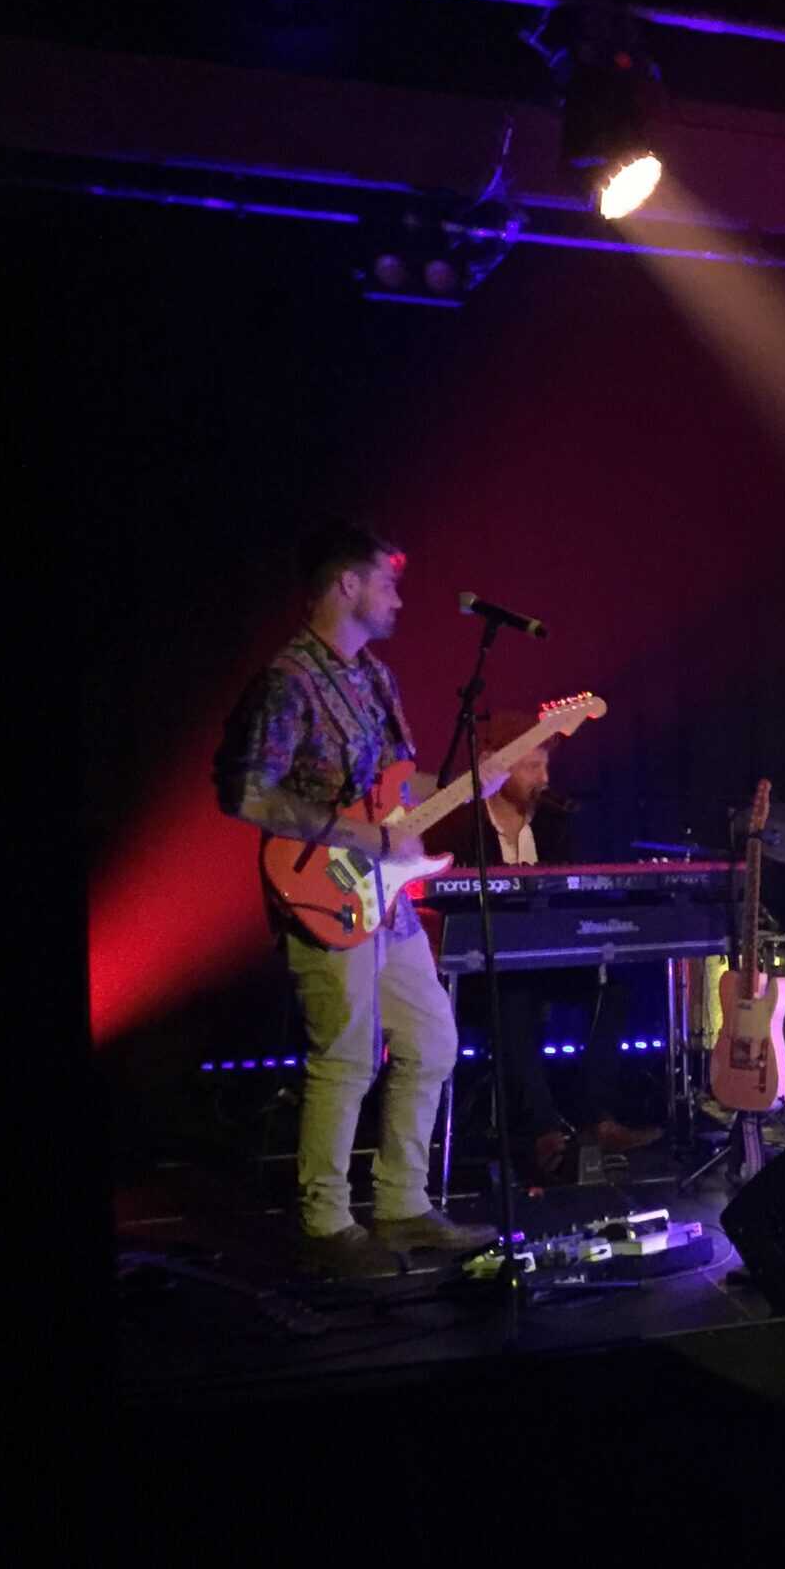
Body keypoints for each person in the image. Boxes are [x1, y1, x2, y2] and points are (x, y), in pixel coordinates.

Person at [213, 522, 489, 1272]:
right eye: (387, 583)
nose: (398, 599)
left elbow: (396, 791)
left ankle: (403, 1204)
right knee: (345, 1056)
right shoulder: (289, 680)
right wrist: (360, 837)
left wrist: (478, 779)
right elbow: (246, 794)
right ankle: (326, 1223)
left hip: (387, 899)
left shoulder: (374, 677)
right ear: (347, 584)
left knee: (432, 1041)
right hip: (321, 894)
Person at [430, 715, 660, 1180]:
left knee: (612, 988)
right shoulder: (460, 822)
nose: (545, 778)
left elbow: (570, 891)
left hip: (545, 959)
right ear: (494, 767)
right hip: (479, 970)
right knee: (514, 996)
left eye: (546, 766)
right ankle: (543, 1131)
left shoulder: (555, 822)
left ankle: (595, 1117)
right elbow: (441, 895)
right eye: (532, 767)